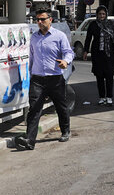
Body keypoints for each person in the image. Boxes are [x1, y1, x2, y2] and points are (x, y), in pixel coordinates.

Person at [15, 9, 74, 151]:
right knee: (34, 109)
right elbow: (31, 57)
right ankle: (30, 140)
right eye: (38, 20)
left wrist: (65, 62)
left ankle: (65, 131)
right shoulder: (34, 37)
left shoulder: (59, 36)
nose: (40, 22)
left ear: (50, 20)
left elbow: (69, 52)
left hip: (55, 78)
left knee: (61, 106)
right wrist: (29, 75)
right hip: (37, 79)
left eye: (42, 19)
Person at [82, 6, 114, 106]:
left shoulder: (111, 24)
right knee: (99, 76)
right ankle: (102, 97)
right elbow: (88, 39)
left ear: (106, 15)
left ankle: (109, 97)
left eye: (103, 14)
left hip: (109, 54)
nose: (101, 16)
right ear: (97, 15)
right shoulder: (93, 24)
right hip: (97, 54)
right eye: (100, 14)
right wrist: (85, 51)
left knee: (109, 76)